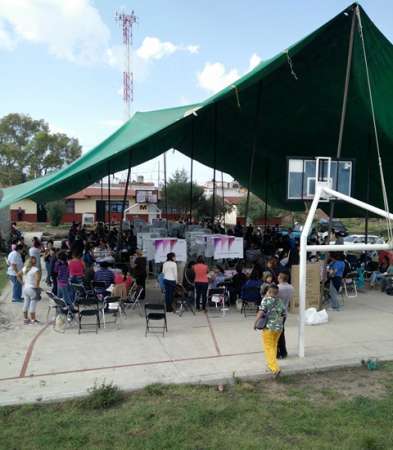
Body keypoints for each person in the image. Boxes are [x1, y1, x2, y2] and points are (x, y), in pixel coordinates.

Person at [254, 284, 286, 377]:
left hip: (268, 328)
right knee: (274, 346)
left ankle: (274, 368)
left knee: (268, 347)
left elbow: (261, 312)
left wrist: (255, 323)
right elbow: (284, 314)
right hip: (279, 328)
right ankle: (272, 363)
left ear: (269, 292)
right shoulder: (280, 301)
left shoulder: (266, 300)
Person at [277, 272, 294, 359]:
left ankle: (278, 352)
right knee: (281, 332)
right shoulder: (291, 287)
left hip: (277, 313)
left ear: (280, 278)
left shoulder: (278, 288)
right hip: (284, 312)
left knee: (276, 333)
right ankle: (283, 352)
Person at [22, 256, 41, 324]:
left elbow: (18, 275)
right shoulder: (35, 269)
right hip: (32, 288)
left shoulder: (24, 268)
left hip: (25, 288)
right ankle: (33, 319)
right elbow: (37, 279)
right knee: (33, 304)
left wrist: (22, 283)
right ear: (34, 262)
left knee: (26, 303)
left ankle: (25, 319)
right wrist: (37, 287)